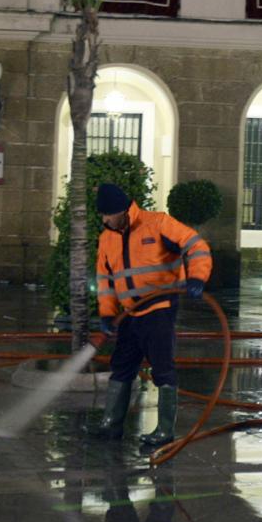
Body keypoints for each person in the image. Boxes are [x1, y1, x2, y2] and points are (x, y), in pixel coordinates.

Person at [86, 183, 212, 445]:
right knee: (121, 366)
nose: (104, 219)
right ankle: (111, 425)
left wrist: (198, 277)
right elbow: (105, 280)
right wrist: (108, 314)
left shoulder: (157, 223)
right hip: (130, 314)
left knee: (162, 368)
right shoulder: (106, 238)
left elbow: (196, 245)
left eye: (107, 214)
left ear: (121, 210)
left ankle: (165, 431)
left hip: (159, 309)